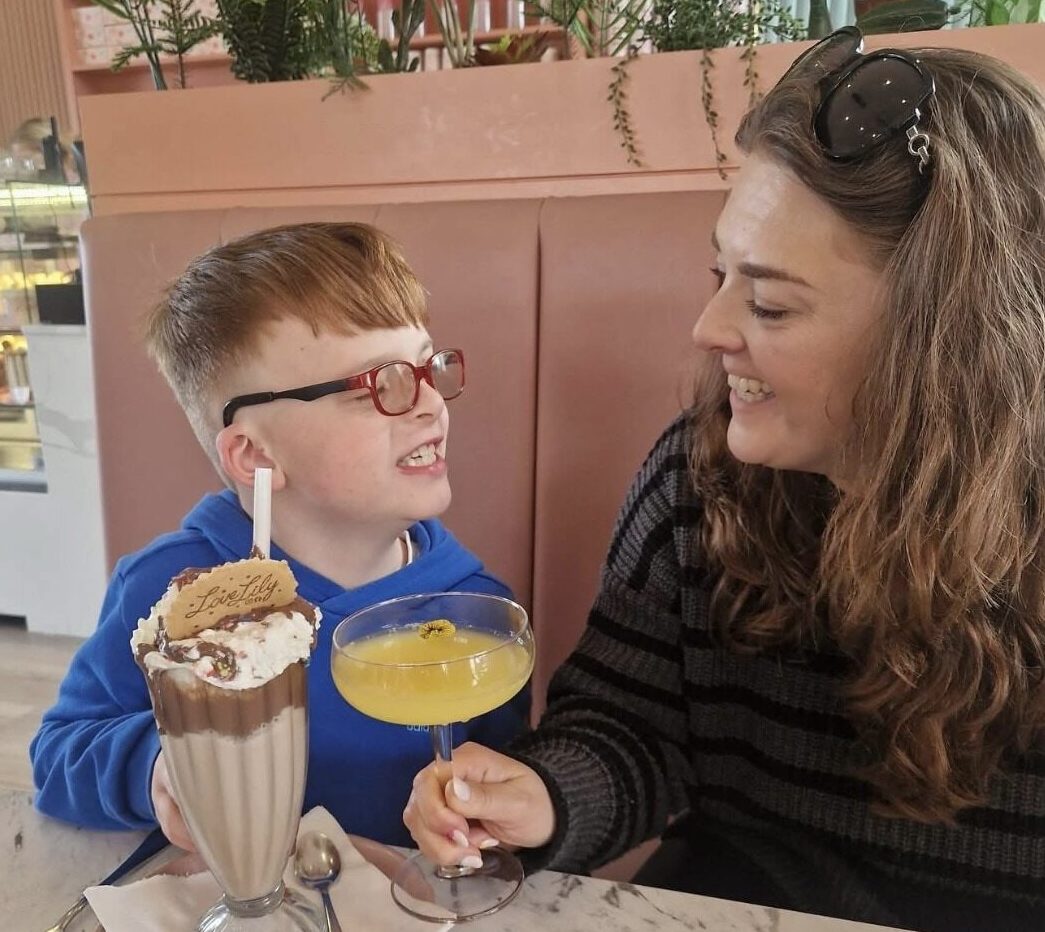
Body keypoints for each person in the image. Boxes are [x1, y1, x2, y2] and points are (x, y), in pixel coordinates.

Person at [403, 28, 1045, 932]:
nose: (708, 326)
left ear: (944, 334)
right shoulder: (697, 476)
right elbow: (629, 724)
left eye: (770, 301)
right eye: (720, 273)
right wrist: (544, 796)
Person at [30, 221, 529, 849]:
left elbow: (511, 794)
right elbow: (58, 755)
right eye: (380, 384)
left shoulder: (477, 611)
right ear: (256, 456)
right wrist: (155, 769)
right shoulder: (166, 594)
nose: (431, 404)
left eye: (427, 368)